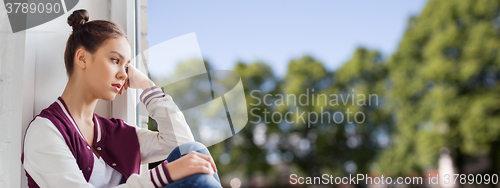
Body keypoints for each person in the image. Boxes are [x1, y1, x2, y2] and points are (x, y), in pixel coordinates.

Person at [21, 9, 222, 188]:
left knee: (193, 149)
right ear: (82, 58)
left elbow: (180, 142)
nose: (123, 74)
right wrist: (161, 176)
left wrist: (146, 85)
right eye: (115, 60)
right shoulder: (45, 130)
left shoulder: (115, 132)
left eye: (126, 67)